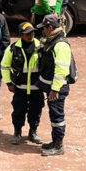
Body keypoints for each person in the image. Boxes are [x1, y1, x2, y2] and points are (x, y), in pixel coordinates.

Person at [1, 22, 44, 145]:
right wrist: (8, 82)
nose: (30, 35)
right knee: (18, 111)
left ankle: (33, 132)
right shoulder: (13, 48)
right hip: (20, 88)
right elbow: (4, 66)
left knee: (36, 111)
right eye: (27, 33)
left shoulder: (41, 46)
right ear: (21, 35)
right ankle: (17, 132)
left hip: (37, 88)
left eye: (32, 32)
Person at [36, 14, 72, 156]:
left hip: (57, 89)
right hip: (52, 87)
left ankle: (58, 146)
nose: (43, 31)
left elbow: (61, 70)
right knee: (53, 115)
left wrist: (55, 89)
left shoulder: (60, 44)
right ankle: (55, 141)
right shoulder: (52, 40)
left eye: (44, 28)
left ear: (50, 27)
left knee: (57, 117)